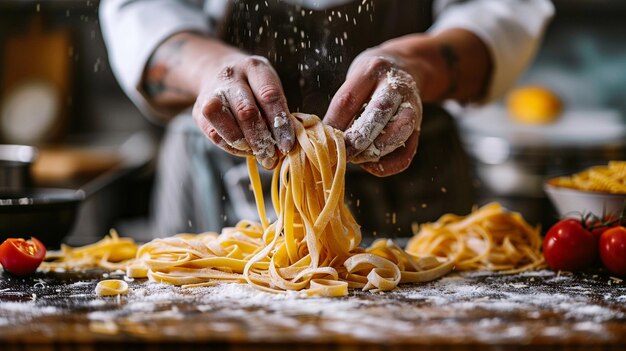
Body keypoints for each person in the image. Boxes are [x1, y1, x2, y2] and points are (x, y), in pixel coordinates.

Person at [100, 0, 554, 238]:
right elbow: (141, 9)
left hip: (414, 179)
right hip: (213, 178)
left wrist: (417, 64)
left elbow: (502, 10)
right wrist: (206, 70)